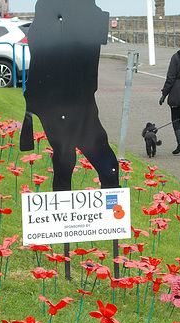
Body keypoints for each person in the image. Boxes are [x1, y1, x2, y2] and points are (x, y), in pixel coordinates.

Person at [20, 0, 119, 191]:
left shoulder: (48, 22)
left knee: (67, 158)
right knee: (77, 158)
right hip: (69, 102)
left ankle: (69, 205)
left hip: (66, 102)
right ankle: (106, 209)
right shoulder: (68, 19)